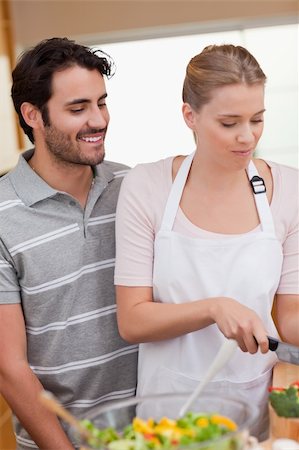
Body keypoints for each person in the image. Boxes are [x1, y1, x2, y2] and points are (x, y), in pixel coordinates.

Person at [114, 44, 299, 441]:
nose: (247, 136)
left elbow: (288, 319)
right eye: (229, 122)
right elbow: (132, 320)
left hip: (253, 416)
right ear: (190, 115)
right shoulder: (146, 186)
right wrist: (214, 308)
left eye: (257, 119)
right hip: (167, 420)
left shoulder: (289, 189)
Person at [0, 37, 138, 449]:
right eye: (78, 109)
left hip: (151, 433)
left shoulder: (130, 187)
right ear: (33, 116)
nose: (98, 120)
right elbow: (9, 366)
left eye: (101, 102)